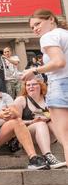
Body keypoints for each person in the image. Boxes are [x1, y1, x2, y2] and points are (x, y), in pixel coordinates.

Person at [0, 71, 49, 172]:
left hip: (0, 133)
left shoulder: (5, 96)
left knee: (17, 121)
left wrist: (10, 113)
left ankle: (33, 158)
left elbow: (16, 113)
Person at [22, 9, 68, 166]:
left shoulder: (48, 36)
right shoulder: (64, 34)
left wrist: (33, 70)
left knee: (65, 137)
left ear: (51, 20)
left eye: (37, 24)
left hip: (60, 85)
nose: (35, 29)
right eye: (32, 27)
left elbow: (59, 62)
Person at [14, 79, 66, 169]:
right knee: (41, 124)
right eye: (28, 85)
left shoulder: (49, 99)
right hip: (29, 133)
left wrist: (48, 118)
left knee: (51, 123)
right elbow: (15, 122)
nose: (31, 87)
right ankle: (48, 156)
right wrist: (32, 121)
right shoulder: (21, 100)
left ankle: (66, 145)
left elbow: (59, 117)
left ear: (41, 85)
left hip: (50, 134)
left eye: (34, 84)